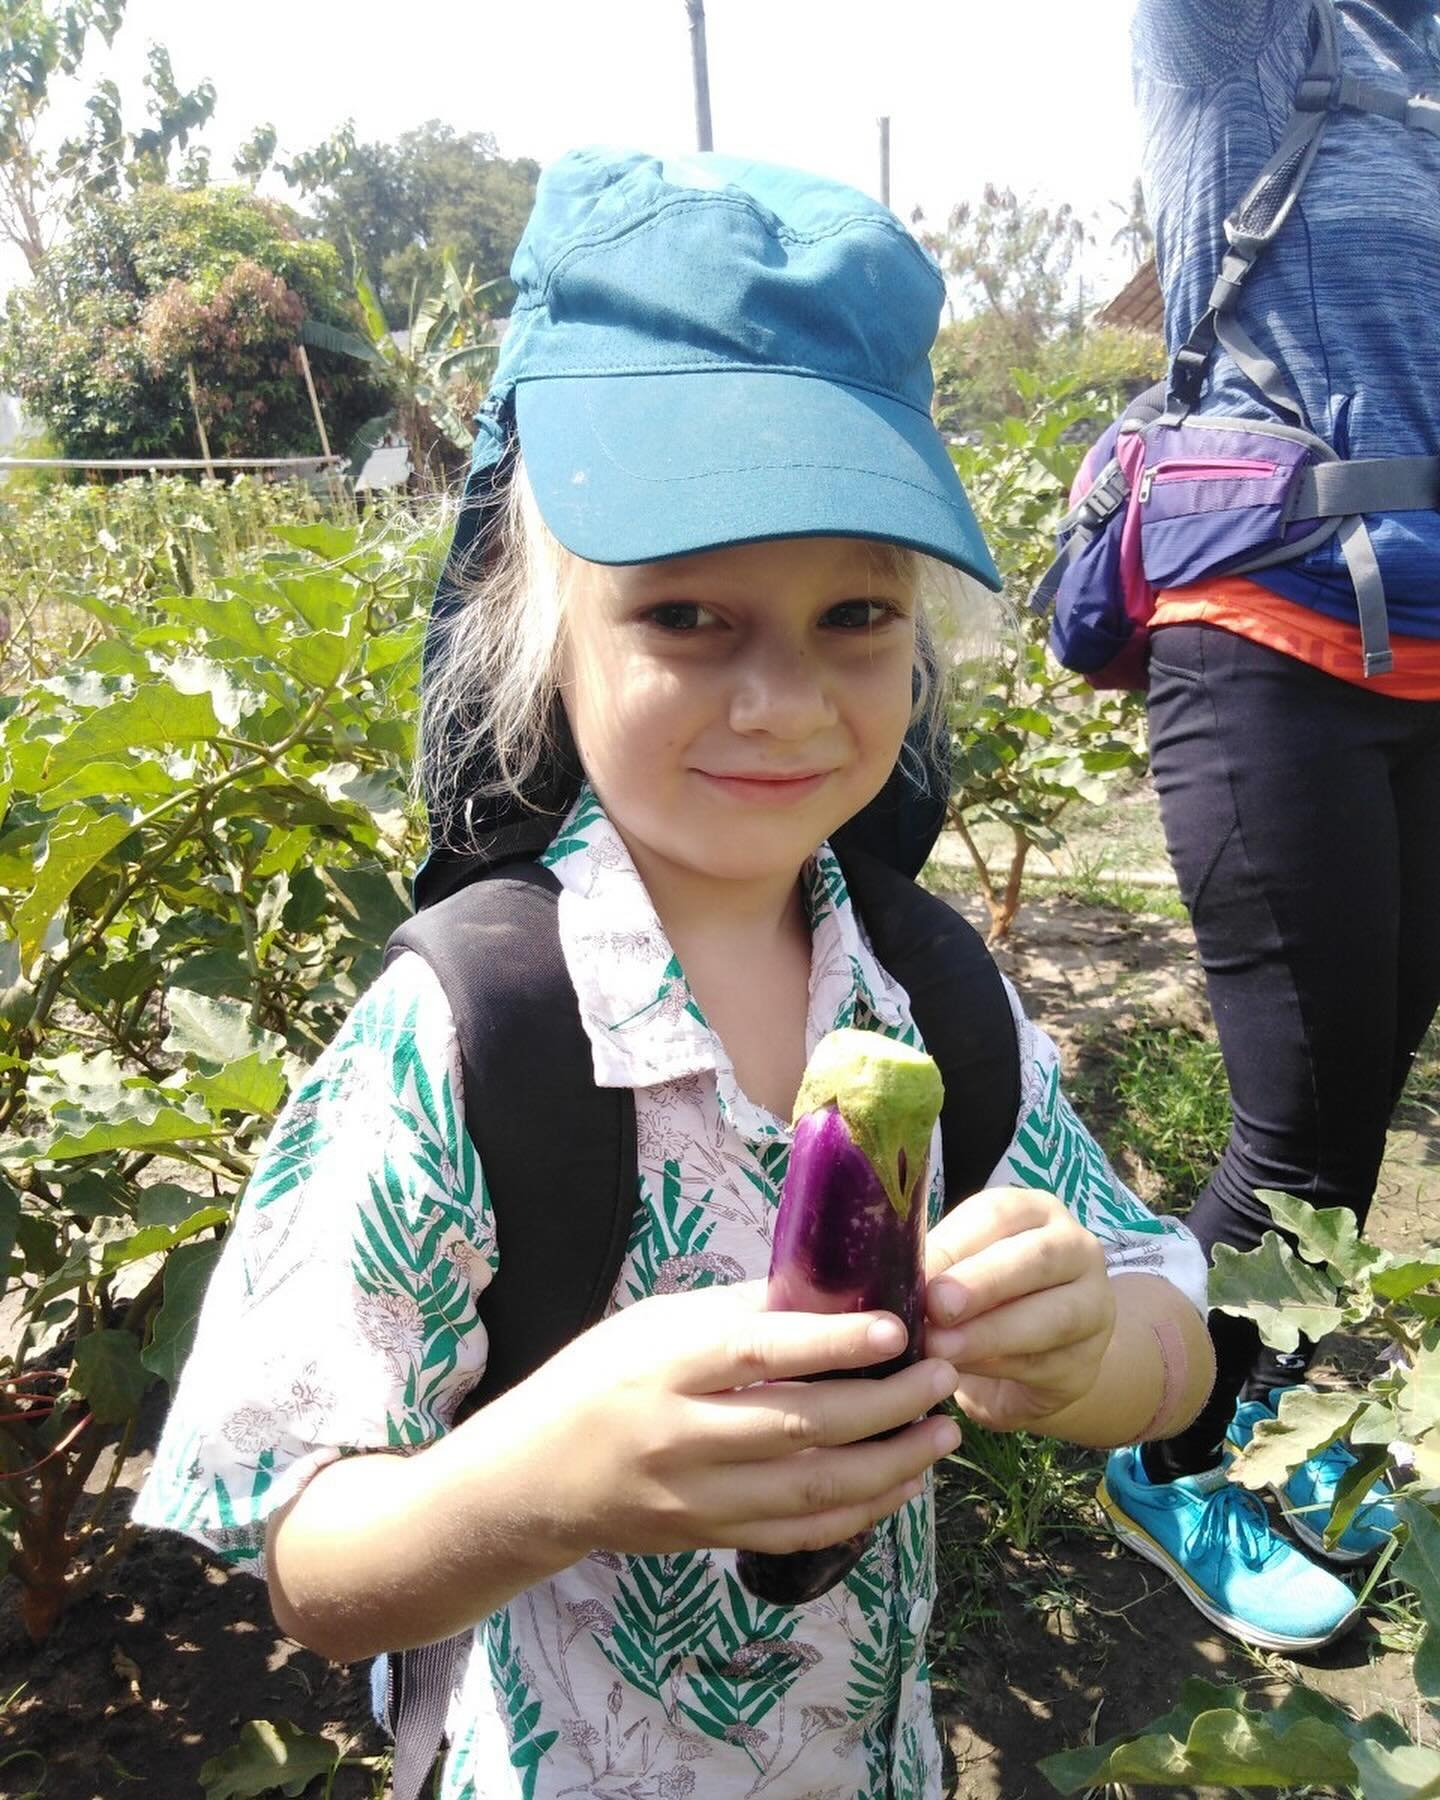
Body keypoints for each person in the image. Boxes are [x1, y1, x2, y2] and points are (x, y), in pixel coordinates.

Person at [134, 148, 1213, 1799]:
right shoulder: (470, 1030)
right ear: (536, 625)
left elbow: (1170, 1333)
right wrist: (552, 1478)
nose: (783, 700)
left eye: (854, 611)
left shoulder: (935, 999)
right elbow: (307, 1567)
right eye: (690, 616)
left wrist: (1089, 1354)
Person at [1100, 0, 1440, 1656]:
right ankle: (1161, 1449)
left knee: (1363, 1107)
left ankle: (1261, 1426)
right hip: (1262, 627)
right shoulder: (1239, 35)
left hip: (1432, 651)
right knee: (1295, 1122)